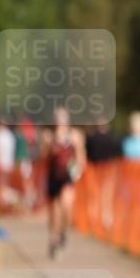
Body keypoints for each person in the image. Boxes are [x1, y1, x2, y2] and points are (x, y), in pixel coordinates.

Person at [44, 108, 86, 259]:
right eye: (57, 120)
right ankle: (53, 240)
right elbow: (43, 157)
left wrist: (77, 171)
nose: (60, 123)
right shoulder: (48, 136)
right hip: (53, 176)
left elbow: (81, 158)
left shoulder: (75, 136)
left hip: (67, 177)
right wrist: (50, 146)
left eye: (62, 119)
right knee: (54, 212)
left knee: (66, 206)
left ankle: (63, 232)